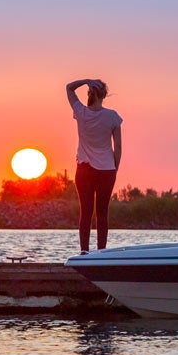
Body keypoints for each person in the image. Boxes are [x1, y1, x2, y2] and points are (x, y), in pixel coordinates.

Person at [66, 78, 122, 252]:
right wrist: (114, 169)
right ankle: (101, 253)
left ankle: (84, 253)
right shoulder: (112, 116)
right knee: (102, 214)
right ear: (104, 95)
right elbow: (118, 147)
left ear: (90, 93)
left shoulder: (81, 112)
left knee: (86, 213)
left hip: (84, 170)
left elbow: (69, 88)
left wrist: (86, 81)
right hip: (107, 170)